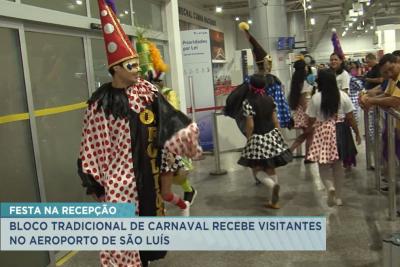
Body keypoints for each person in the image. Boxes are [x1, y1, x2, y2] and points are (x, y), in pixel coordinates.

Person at [77, 1, 201, 266]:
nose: (138, 70)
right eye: (131, 66)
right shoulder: (101, 103)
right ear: (116, 69)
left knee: (148, 226)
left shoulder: (146, 92)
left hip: (148, 173)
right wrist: (97, 185)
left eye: (137, 64)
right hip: (118, 181)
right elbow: (92, 146)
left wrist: (185, 138)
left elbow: (169, 119)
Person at [236, 74, 292, 208]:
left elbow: (250, 125)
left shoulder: (248, 102)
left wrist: (249, 139)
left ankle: (273, 186)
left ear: (250, 86)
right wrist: (278, 134)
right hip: (272, 135)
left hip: (258, 137)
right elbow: (275, 120)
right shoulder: (270, 99)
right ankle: (274, 201)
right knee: (270, 167)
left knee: (256, 169)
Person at [306, 69, 361, 206]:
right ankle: (339, 197)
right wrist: (357, 132)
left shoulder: (316, 97)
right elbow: (350, 117)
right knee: (338, 165)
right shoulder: (343, 95)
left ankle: (330, 187)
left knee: (323, 165)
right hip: (340, 130)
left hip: (322, 131)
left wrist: (310, 129)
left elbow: (311, 119)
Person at [150, 72, 197, 205]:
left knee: (175, 171)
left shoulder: (168, 93)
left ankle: (188, 192)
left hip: (168, 136)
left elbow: (171, 115)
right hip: (156, 141)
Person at [239, 22, 292, 129]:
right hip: (272, 122)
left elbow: (242, 102)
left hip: (256, 123)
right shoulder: (275, 81)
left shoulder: (249, 81)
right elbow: (281, 104)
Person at [288, 59, 314, 162]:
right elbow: (303, 100)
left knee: (307, 134)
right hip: (305, 111)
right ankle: (306, 156)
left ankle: (291, 151)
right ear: (304, 68)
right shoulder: (304, 82)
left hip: (298, 110)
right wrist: (308, 114)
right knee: (309, 134)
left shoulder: (295, 81)